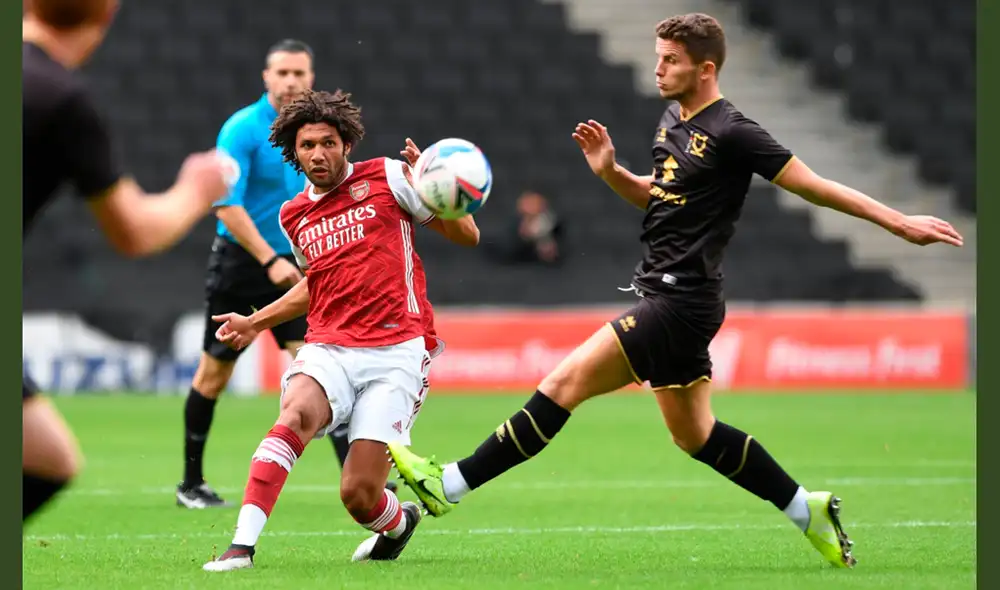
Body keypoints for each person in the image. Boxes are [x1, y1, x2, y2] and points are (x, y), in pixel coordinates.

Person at [387, 13, 965, 570]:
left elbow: (813, 186)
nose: (658, 69)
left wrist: (898, 223)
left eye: (671, 60)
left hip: (678, 301)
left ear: (705, 68)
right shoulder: (673, 121)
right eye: (658, 57)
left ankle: (449, 485)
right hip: (681, 299)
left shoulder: (735, 132)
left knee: (563, 384)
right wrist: (612, 172)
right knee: (695, 434)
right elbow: (659, 197)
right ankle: (805, 509)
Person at [201, 90, 481, 571]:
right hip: (329, 345)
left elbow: (468, 236)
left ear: (345, 143)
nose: (318, 154)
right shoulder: (294, 214)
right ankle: (241, 547)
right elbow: (316, 284)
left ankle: (398, 523)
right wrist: (254, 321)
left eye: (328, 142)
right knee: (293, 417)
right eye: (307, 145)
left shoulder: (389, 176)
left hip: (397, 351)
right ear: (294, 151)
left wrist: (432, 189)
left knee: (358, 495)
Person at [23, 0, 231, 522]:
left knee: (44, 453)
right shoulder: (62, 100)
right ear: (108, 14)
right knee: (49, 461)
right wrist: (197, 187)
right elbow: (135, 231)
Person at [176, 39, 395, 509]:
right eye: (282, 73)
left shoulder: (313, 133)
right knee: (213, 375)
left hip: (300, 270)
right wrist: (269, 260)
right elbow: (225, 204)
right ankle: (190, 484)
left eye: (299, 73)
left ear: (311, 78)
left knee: (326, 372)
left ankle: (361, 482)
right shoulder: (242, 129)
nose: (291, 81)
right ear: (266, 78)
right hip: (241, 264)